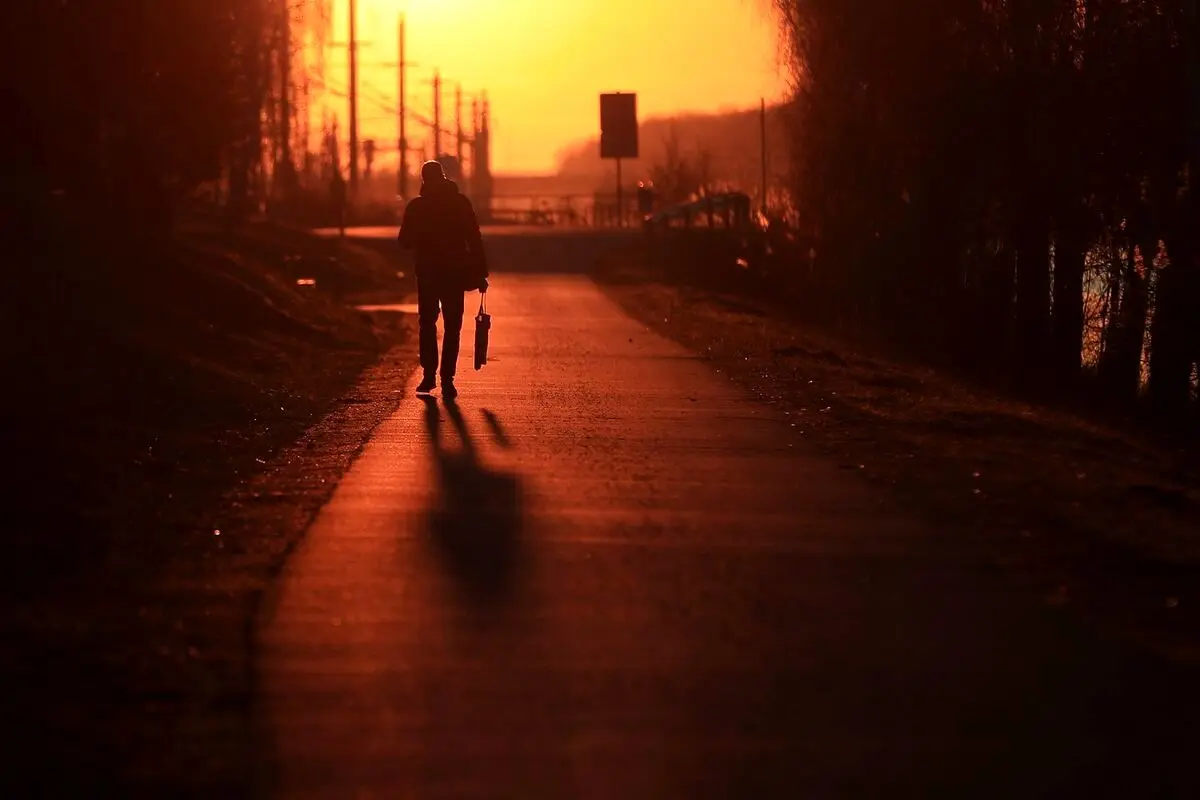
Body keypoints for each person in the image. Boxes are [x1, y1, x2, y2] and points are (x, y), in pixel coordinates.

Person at [398, 160, 489, 398]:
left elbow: (404, 241)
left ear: (424, 180)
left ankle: (429, 375)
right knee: (452, 327)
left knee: (427, 324)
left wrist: (421, 237)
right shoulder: (460, 203)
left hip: (428, 273)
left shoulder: (417, 207)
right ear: (444, 176)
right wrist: (481, 272)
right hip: (454, 273)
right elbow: (474, 238)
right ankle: (447, 380)